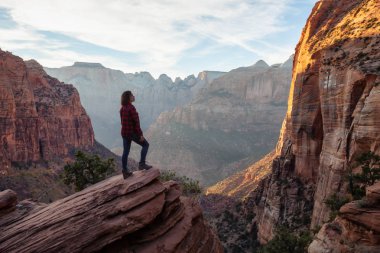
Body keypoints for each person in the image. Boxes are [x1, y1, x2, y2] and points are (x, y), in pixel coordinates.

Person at [120, 90, 152, 179]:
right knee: (146, 145)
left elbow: (122, 122)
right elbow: (136, 123)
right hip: (131, 133)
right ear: (128, 97)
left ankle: (125, 171)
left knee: (125, 152)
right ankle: (142, 164)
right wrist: (140, 135)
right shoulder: (131, 108)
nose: (134, 96)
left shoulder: (122, 108)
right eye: (132, 95)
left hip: (124, 133)